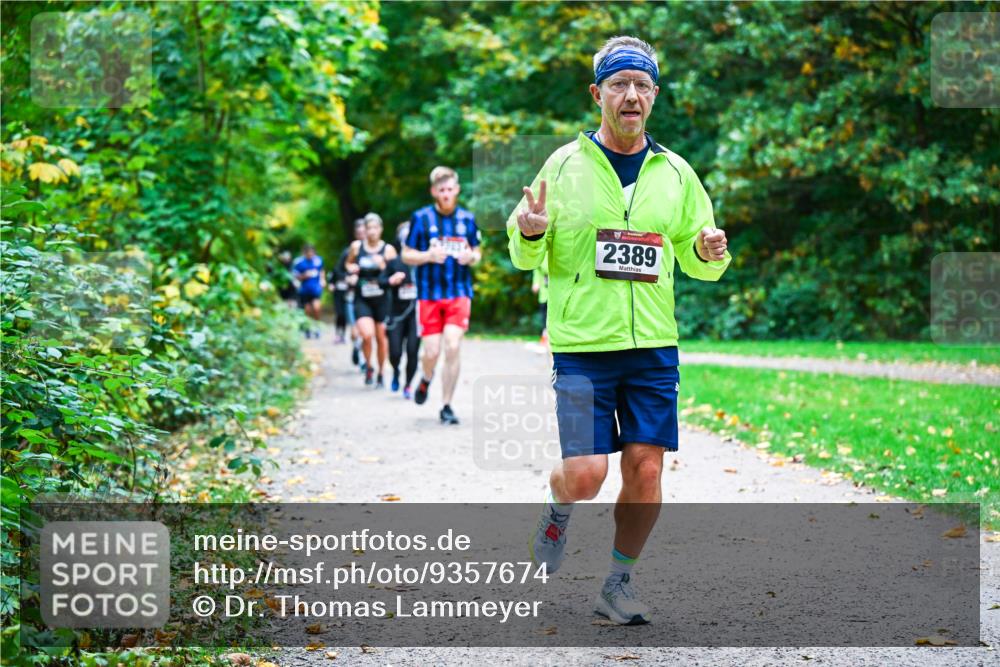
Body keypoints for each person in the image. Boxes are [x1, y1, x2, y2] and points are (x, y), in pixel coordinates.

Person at [506, 36, 731, 626]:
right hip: (583, 345)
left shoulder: (676, 173)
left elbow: (700, 258)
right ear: (597, 94)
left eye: (641, 85)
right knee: (586, 475)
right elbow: (524, 254)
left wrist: (709, 250)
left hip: (653, 345)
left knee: (647, 467)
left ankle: (617, 583)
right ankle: (558, 505)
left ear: (654, 95)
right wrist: (530, 231)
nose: (631, 95)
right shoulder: (563, 166)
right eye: (618, 84)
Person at [401, 166, 481, 425]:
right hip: (429, 294)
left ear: (457, 190)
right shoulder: (421, 218)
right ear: (434, 192)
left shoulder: (467, 219)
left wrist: (471, 257)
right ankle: (426, 377)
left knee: (453, 345)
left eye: (450, 189)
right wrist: (428, 255)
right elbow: (406, 254)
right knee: (431, 352)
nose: (446, 194)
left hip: (459, 291)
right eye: (441, 190)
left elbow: (477, 252)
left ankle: (446, 405)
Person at [346, 212, 396, 387]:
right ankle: (368, 366)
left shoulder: (388, 250)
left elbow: (396, 272)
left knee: (381, 337)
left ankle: (381, 372)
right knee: (367, 335)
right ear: (365, 230)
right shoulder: (356, 247)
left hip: (382, 299)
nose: (372, 231)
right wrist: (352, 269)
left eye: (375, 228)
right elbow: (348, 264)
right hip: (363, 298)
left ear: (381, 229)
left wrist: (383, 265)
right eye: (369, 228)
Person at [385, 221, 421, 398]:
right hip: (396, 314)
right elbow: (381, 281)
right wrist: (390, 280)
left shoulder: (423, 262)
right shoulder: (394, 262)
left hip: (417, 314)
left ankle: (408, 385)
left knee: (413, 350)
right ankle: (396, 371)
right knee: (395, 352)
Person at [335, 219, 367, 364]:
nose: (362, 235)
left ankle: (365, 361)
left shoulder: (376, 251)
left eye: (364, 232)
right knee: (355, 329)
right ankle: (356, 346)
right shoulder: (348, 252)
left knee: (366, 331)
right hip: (352, 296)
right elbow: (338, 271)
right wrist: (348, 278)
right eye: (359, 233)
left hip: (369, 297)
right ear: (355, 234)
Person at [292, 243, 325, 338]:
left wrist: (322, 280)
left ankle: (317, 327)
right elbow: (295, 276)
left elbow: (321, 270)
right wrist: (304, 276)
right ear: (305, 253)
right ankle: (308, 328)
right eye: (308, 252)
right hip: (305, 290)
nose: (310, 254)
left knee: (317, 308)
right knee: (307, 310)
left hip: (316, 289)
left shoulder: (318, 260)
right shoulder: (299, 262)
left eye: (312, 252)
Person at [531, 255, 549, 347]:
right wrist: (536, 283)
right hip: (544, 292)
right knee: (544, 315)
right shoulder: (543, 254)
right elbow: (537, 269)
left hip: (558, 290)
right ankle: (545, 337)